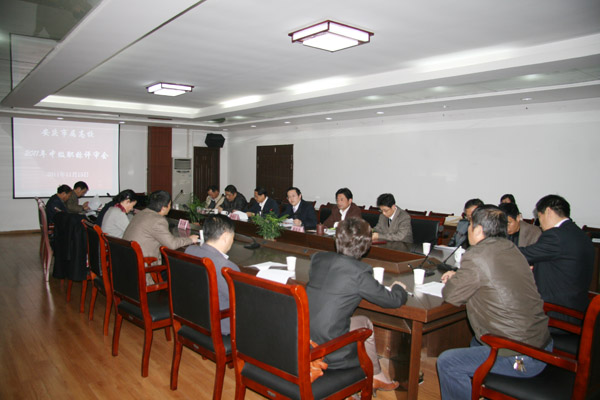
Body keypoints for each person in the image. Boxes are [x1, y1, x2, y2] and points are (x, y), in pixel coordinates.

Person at [437, 205, 551, 400]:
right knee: (475, 342)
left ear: (479, 230)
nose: (468, 230)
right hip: (542, 343)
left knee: (448, 362)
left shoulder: (477, 255)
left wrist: (455, 279)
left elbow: (451, 295)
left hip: (521, 355)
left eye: (470, 225)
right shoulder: (511, 248)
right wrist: (461, 276)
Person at [306, 218, 408, 394]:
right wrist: (399, 288)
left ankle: (374, 377)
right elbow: (392, 300)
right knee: (365, 322)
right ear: (366, 245)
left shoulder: (318, 259)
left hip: (303, 339)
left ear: (337, 239)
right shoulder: (359, 272)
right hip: (329, 351)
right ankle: (375, 375)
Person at [519, 195, 594, 319]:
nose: (539, 223)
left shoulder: (555, 235)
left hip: (555, 312)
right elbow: (561, 265)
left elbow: (524, 254)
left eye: (539, 217)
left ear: (548, 211)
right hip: (576, 308)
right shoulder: (580, 234)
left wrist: (495, 246)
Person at [185, 214, 240, 335]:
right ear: (225, 236)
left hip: (192, 316)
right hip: (221, 325)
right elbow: (240, 302)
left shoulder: (189, 251)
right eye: (233, 237)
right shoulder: (226, 267)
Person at [123, 190, 199, 266]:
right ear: (164, 208)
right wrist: (190, 239)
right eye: (170, 204)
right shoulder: (158, 220)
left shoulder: (141, 213)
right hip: (143, 266)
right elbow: (172, 244)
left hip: (128, 262)